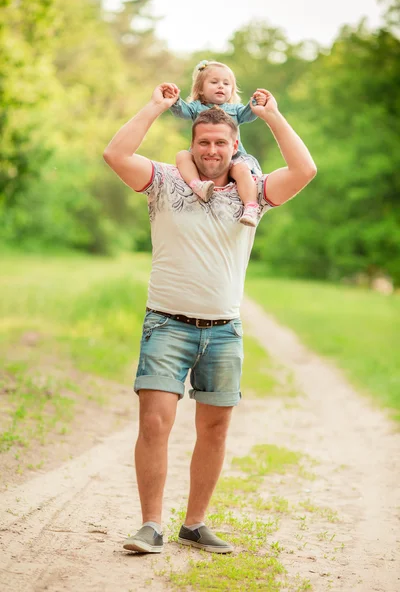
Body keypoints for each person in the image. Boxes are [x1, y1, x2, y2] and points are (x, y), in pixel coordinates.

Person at [103, 82, 316, 555]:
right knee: (155, 425)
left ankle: (194, 525)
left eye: (221, 142)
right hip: (166, 324)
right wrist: (155, 105)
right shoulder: (164, 179)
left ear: (234, 145)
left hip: (224, 330)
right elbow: (115, 154)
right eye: (204, 142)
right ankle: (150, 525)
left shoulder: (253, 190)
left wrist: (275, 116)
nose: (212, 150)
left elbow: (305, 169)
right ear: (192, 144)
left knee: (215, 429)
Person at [167, 59, 267, 227]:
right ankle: (197, 185)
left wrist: (256, 103)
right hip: (202, 156)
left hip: (232, 157)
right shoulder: (196, 107)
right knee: (182, 156)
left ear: (232, 90)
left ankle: (251, 207)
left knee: (242, 169)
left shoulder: (235, 110)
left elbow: (249, 115)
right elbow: (181, 111)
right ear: (200, 88)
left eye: (226, 84)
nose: (221, 86)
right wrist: (174, 100)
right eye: (214, 82)